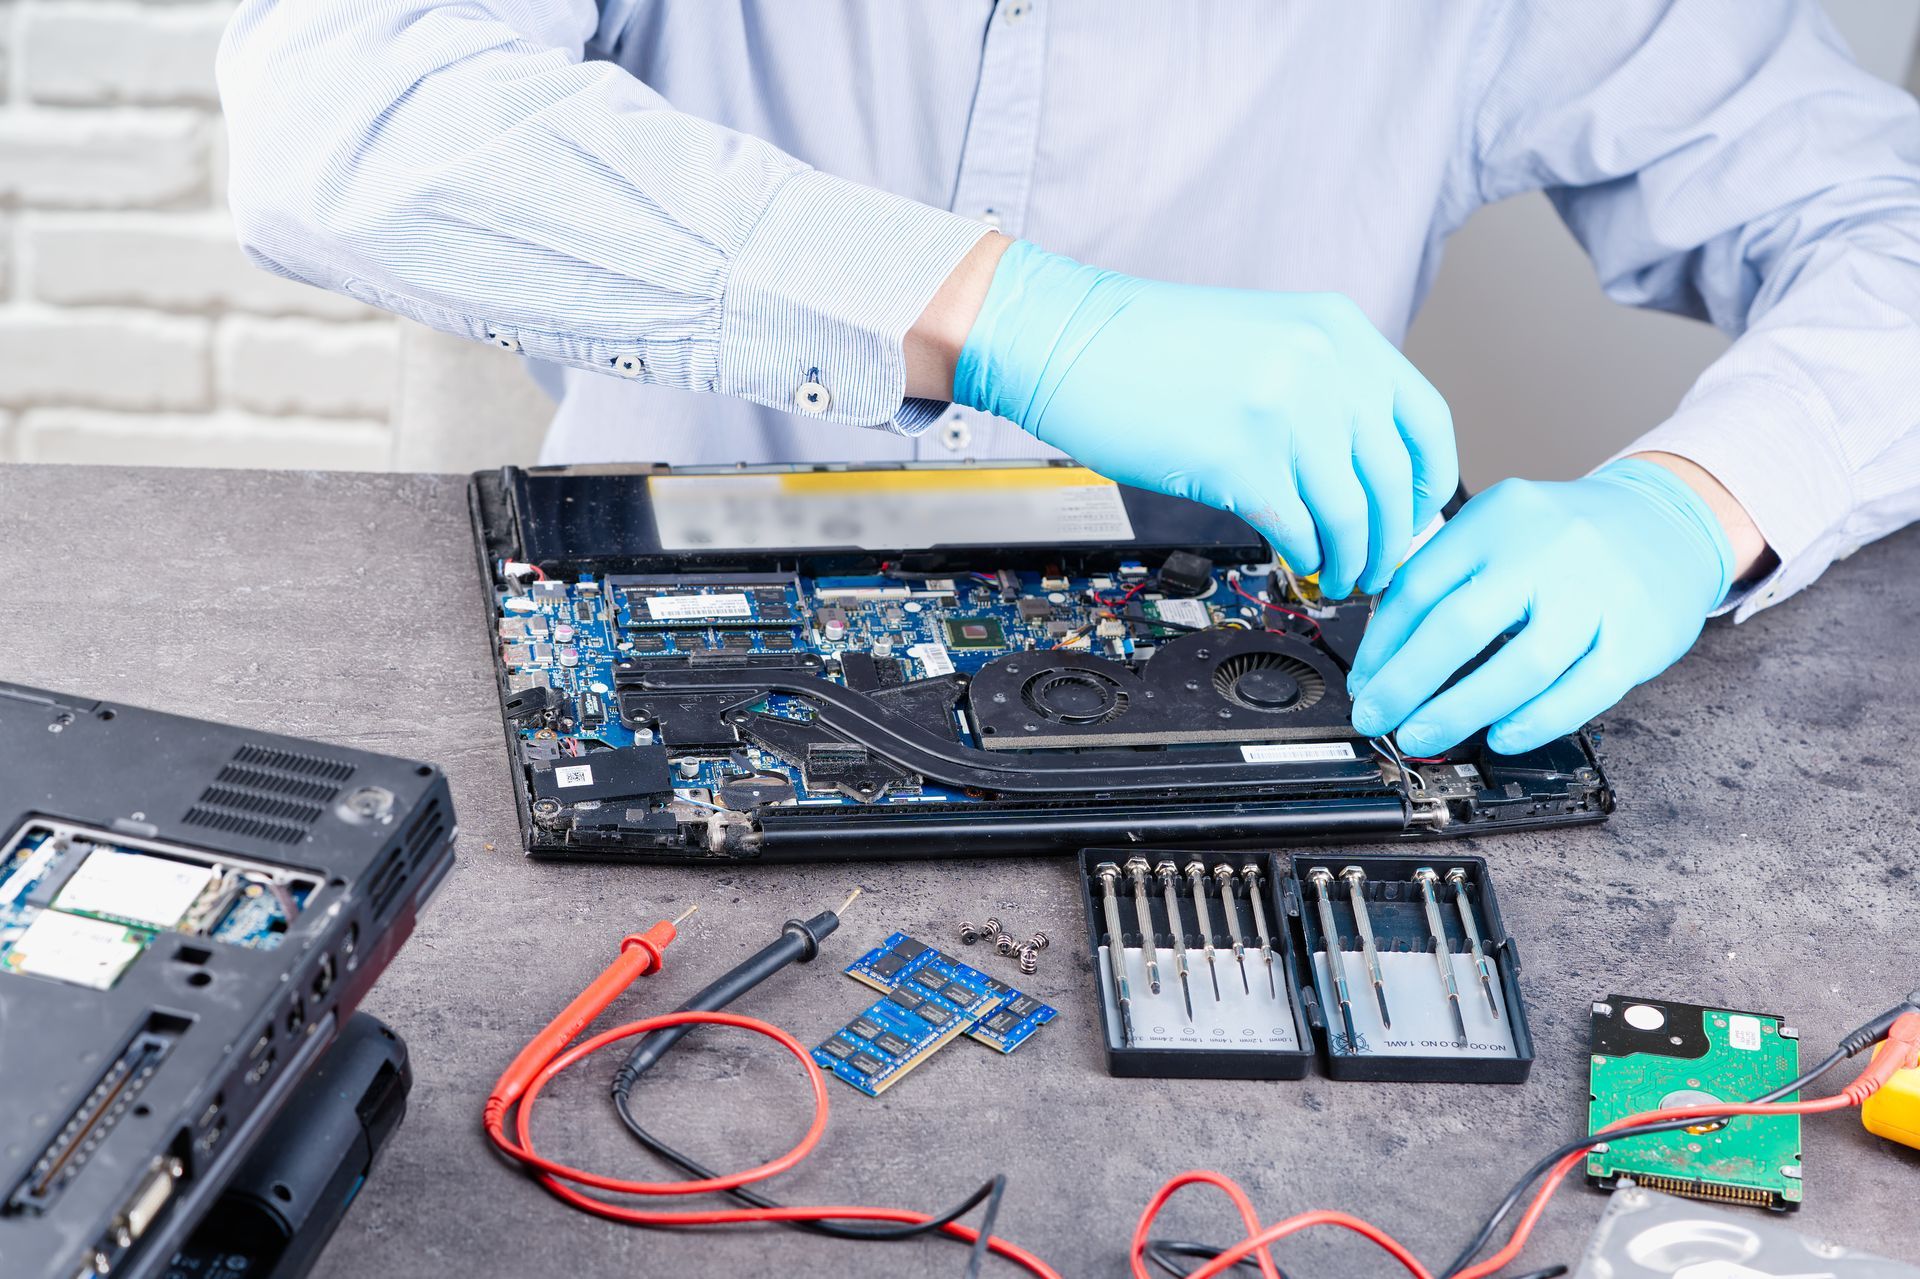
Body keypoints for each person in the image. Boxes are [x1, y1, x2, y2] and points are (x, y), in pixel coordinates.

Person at [218, 2, 1920, 757]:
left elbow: (1881, 221)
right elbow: (336, 113)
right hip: (680, 627)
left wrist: (1691, 512)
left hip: (1228, 683)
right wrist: (1007, 311)